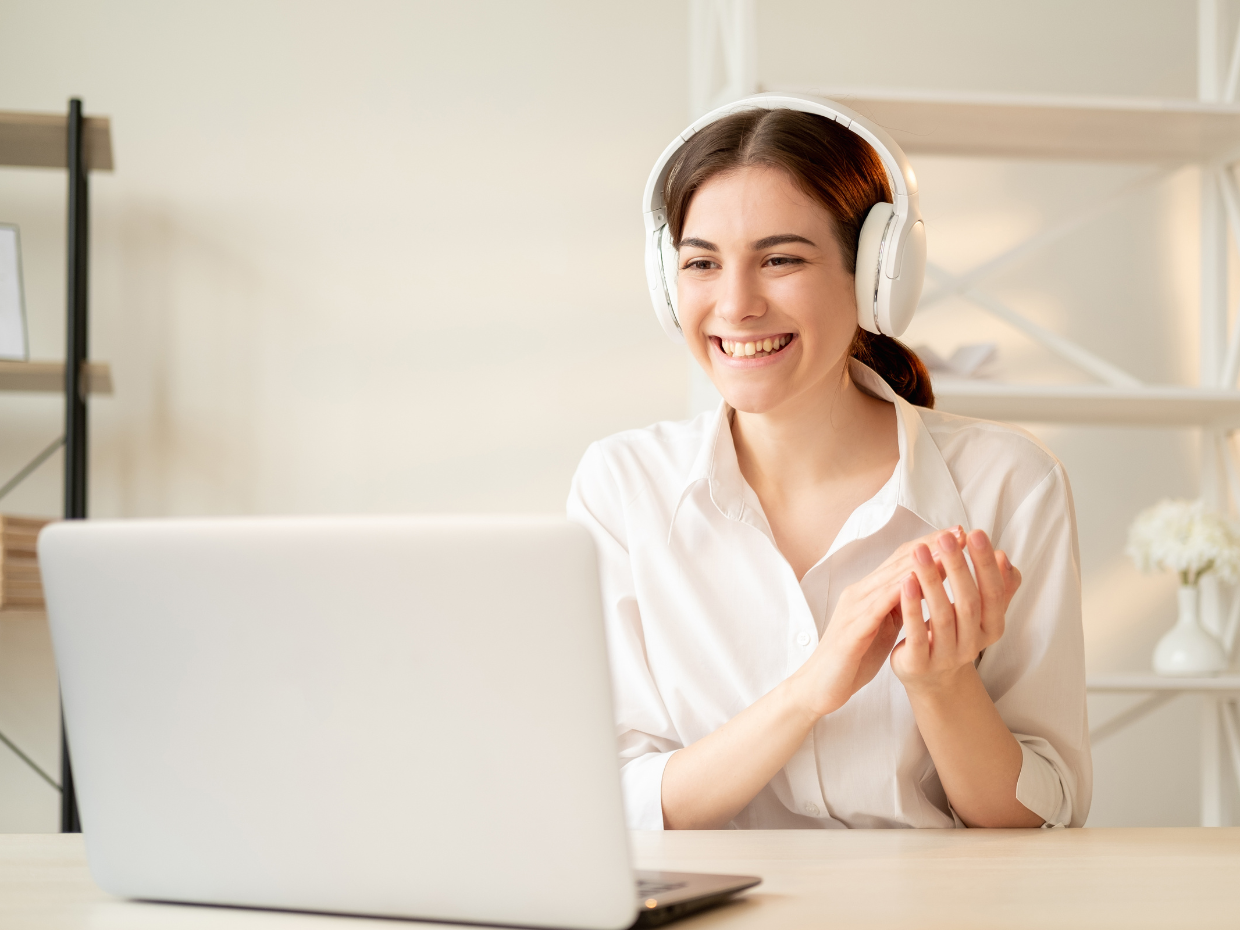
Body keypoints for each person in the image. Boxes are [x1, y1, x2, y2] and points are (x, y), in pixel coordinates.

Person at [567, 105, 1090, 831]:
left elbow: (1047, 815)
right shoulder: (624, 487)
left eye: (781, 259)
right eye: (701, 263)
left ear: (877, 275)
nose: (736, 305)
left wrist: (942, 687)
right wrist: (811, 689)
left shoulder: (1007, 482)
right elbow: (615, 803)